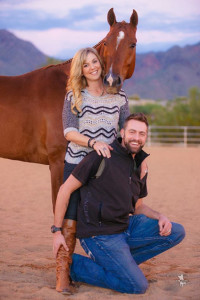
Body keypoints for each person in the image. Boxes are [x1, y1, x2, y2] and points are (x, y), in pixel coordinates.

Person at [52, 113, 185, 294]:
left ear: (146, 137)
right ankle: (75, 266)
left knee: (176, 232)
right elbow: (64, 190)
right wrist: (57, 231)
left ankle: (122, 265)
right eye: (132, 132)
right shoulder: (101, 155)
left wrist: (160, 216)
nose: (136, 138)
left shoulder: (140, 165)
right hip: (99, 235)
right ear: (122, 132)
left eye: (141, 134)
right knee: (137, 286)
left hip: (124, 227)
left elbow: (138, 207)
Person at [53, 47, 132, 294]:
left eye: (94, 61)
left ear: (101, 63)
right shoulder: (74, 96)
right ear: (81, 70)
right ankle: (63, 274)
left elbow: (125, 134)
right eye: (86, 65)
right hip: (77, 163)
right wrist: (92, 142)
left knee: (110, 215)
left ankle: (113, 263)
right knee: (71, 219)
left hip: (105, 170)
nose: (92, 67)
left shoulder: (120, 98)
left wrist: (139, 158)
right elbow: (69, 132)